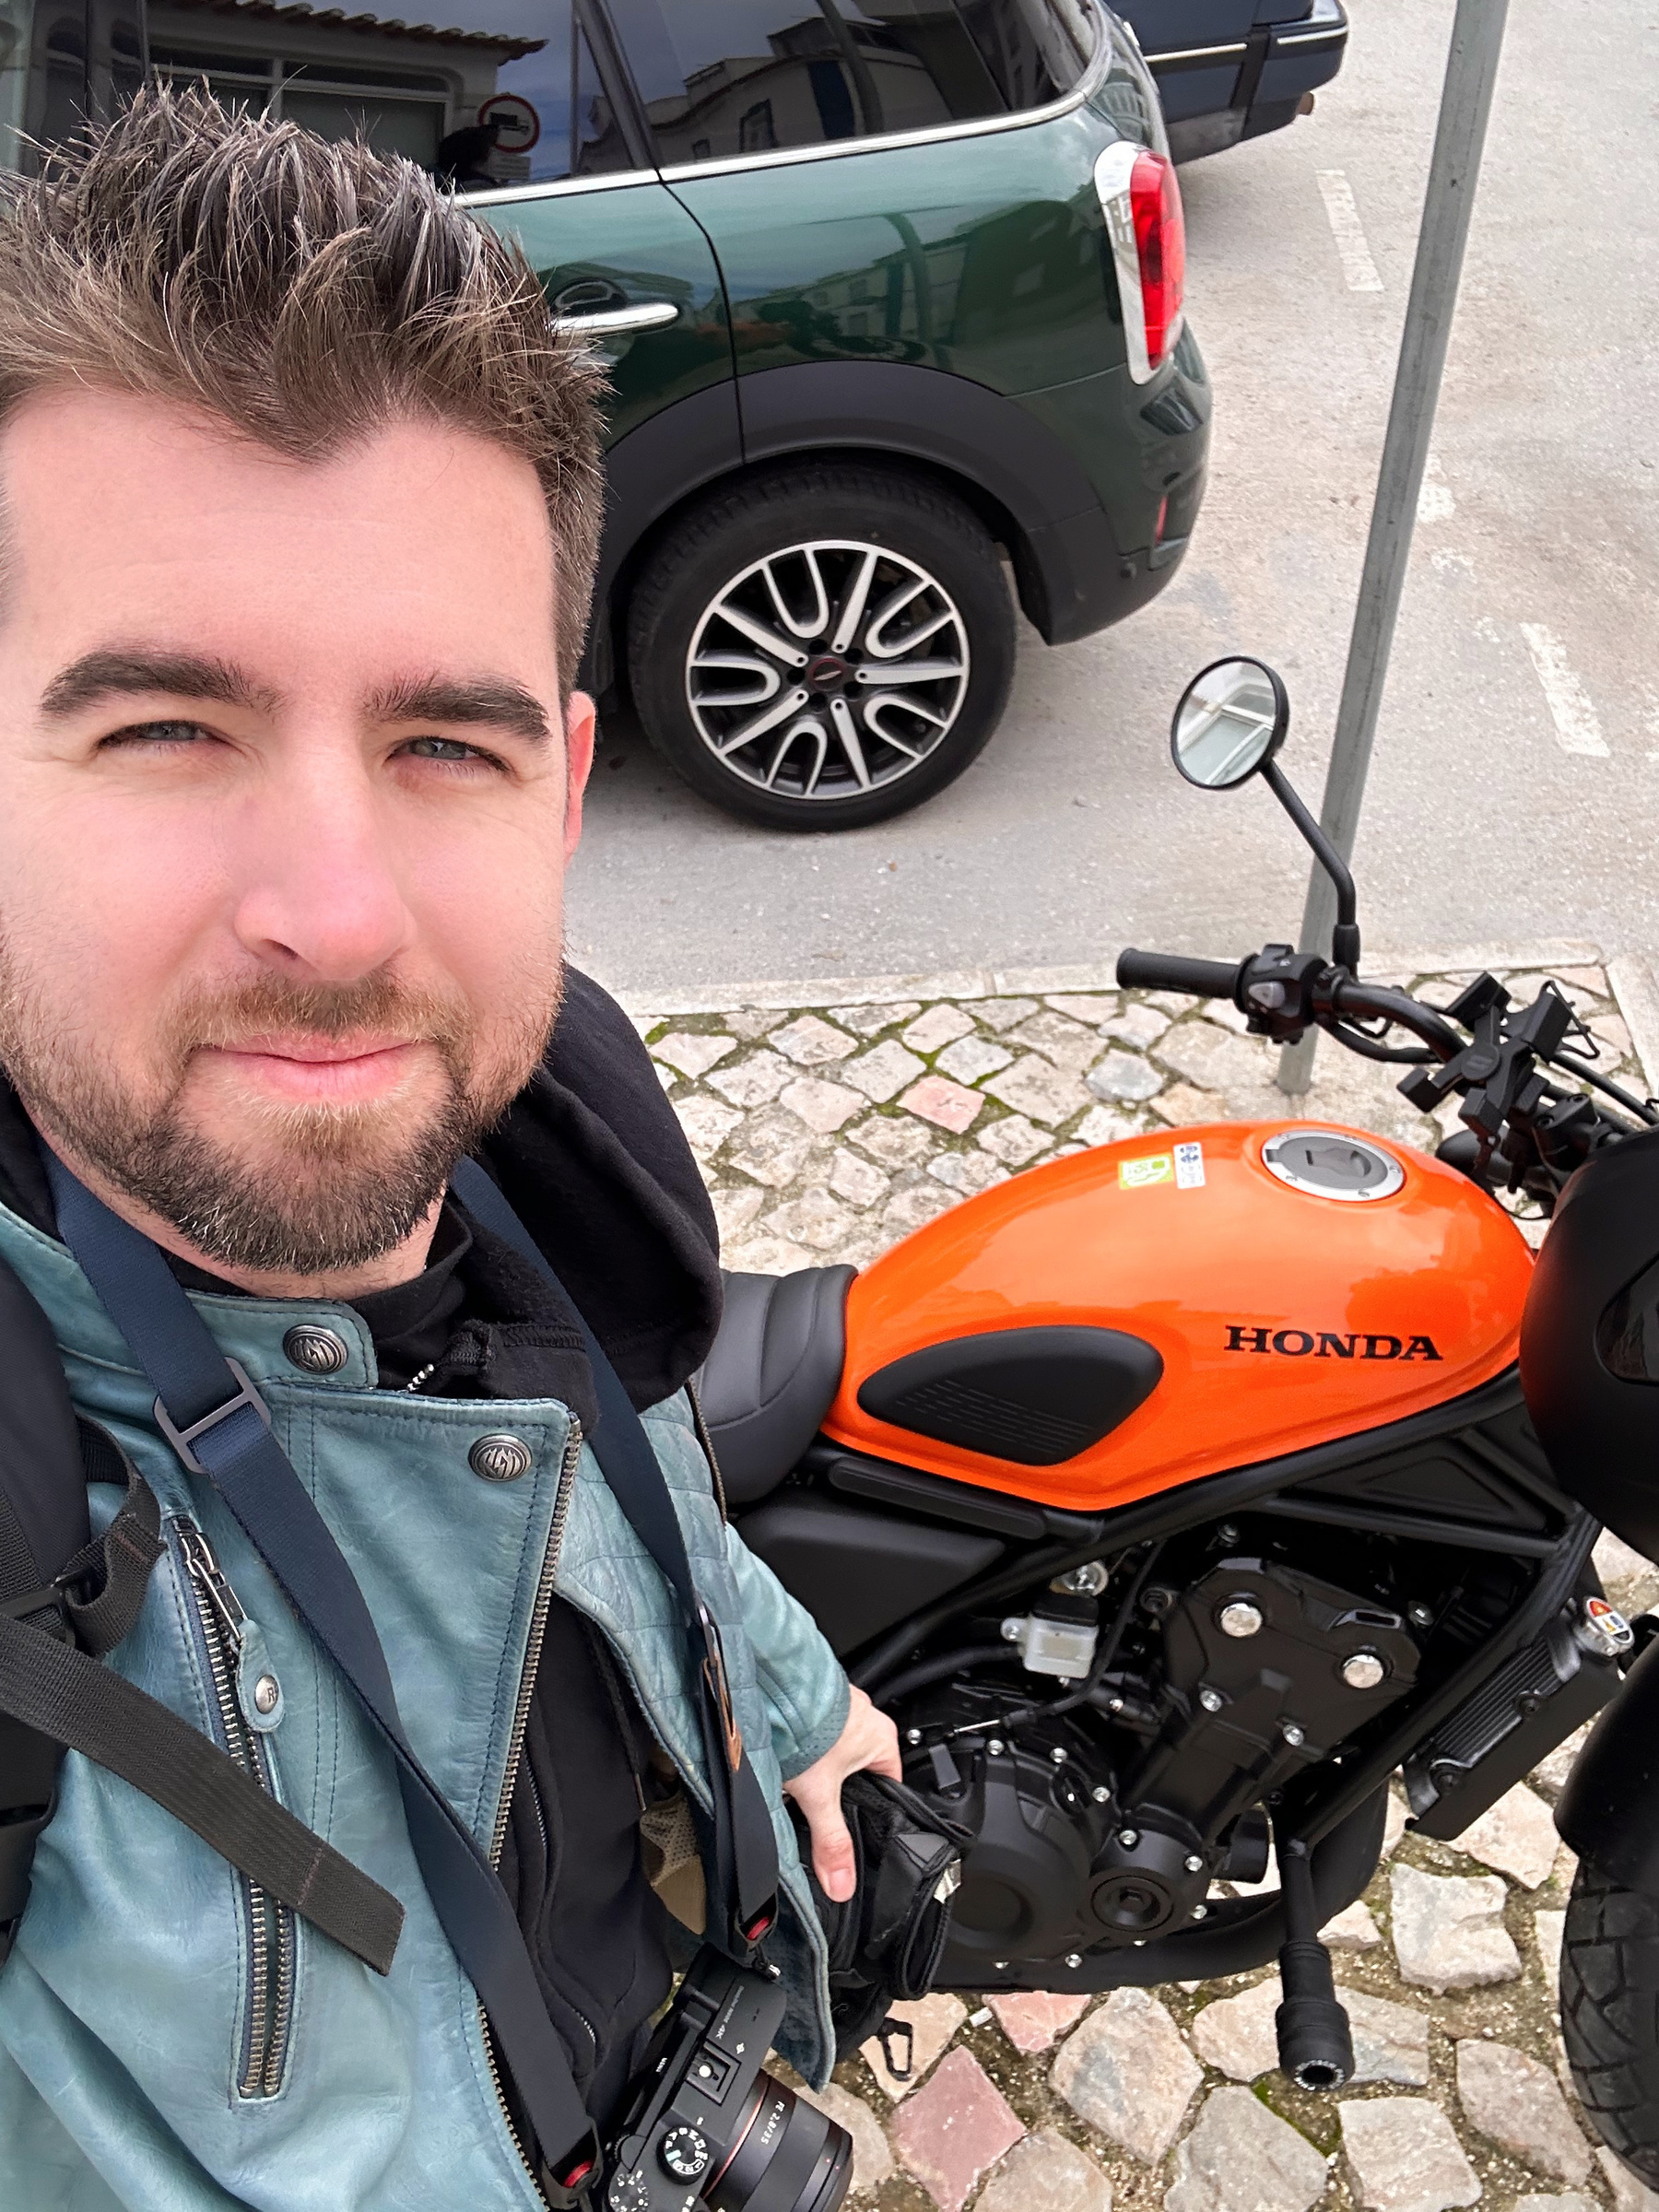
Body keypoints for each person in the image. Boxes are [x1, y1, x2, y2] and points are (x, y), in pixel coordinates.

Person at [0, 87, 899, 2206]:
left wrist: (783, 1685)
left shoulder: (528, 1159)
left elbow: (634, 1438)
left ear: (564, 787)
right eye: (166, 730)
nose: (338, 913)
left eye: (442, 744)